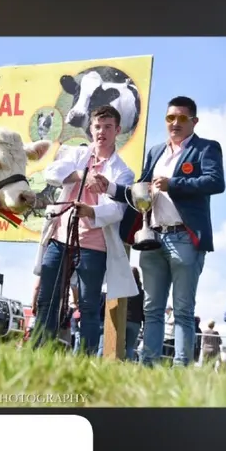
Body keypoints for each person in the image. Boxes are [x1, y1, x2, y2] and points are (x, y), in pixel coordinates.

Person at [95, 95, 225, 367]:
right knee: (151, 308)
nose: (175, 123)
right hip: (152, 238)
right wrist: (110, 187)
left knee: (183, 310)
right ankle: (149, 365)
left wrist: (173, 183)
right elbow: (139, 190)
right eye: (170, 117)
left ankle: (180, 368)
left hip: (185, 237)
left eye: (181, 118)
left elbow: (215, 182)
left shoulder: (206, 148)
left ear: (194, 121)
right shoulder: (156, 152)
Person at [31, 104, 138, 355]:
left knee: (89, 306)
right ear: (90, 129)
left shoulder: (123, 171)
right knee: (47, 299)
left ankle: (86, 360)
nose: (102, 132)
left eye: (108, 127)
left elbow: (118, 210)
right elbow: (51, 173)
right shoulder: (77, 154)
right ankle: (38, 355)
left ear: (117, 131)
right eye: (97, 127)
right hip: (60, 238)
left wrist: (91, 211)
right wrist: (80, 174)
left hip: (94, 246)